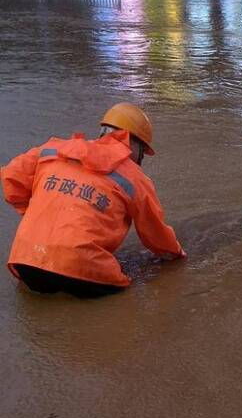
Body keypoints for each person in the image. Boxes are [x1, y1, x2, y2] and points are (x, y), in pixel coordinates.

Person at [1, 103, 185, 297]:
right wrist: (178, 254)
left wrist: (32, 212)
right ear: (134, 143)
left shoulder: (52, 149)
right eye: (143, 151)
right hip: (80, 272)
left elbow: (11, 177)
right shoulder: (135, 178)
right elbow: (156, 234)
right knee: (131, 290)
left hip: (25, 262)